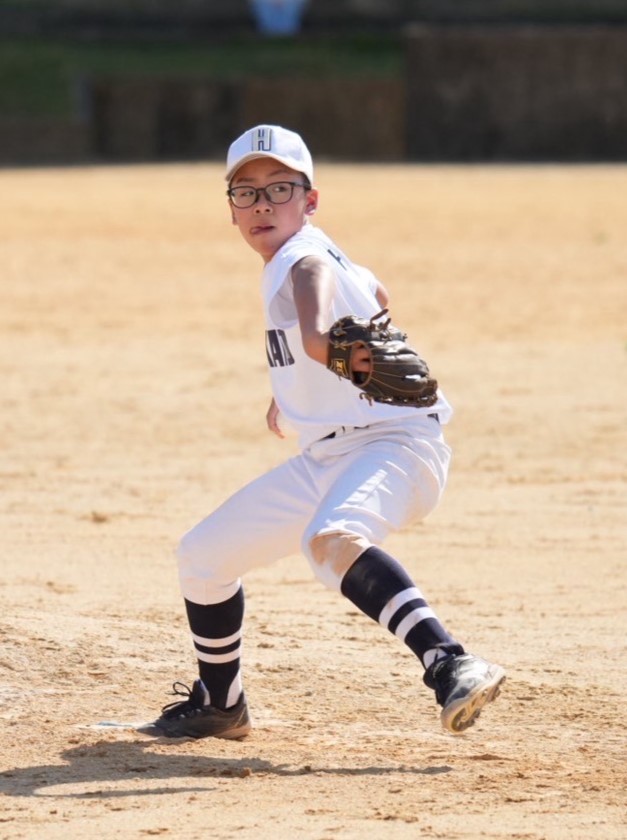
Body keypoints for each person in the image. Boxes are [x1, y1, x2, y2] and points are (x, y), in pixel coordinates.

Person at [152, 125, 505, 740]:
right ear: (231, 209)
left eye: (280, 188)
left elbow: (315, 318)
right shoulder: (321, 250)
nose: (262, 204)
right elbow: (374, 290)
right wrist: (293, 388)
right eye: (246, 192)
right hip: (332, 454)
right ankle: (222, 702)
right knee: (203, 557)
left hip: (395, 446)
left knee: (331, 538)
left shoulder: (302, 257)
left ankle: (450, 662)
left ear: (309, 200)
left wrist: (319, 348)